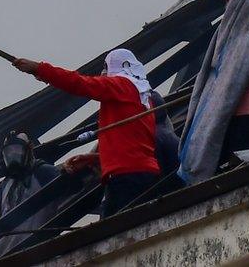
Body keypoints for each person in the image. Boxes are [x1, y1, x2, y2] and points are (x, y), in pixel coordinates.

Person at [13, 49, 159, 217]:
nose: (104, 72)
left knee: (115, 232)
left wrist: (39, 69)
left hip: (126, 177)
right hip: (141, 173)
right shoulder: (143, 97)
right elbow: (131, 146)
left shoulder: (122, 85)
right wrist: (97, 158)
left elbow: (80, 83)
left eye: (107, 66)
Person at [179, 0, 249, 184]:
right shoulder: (245, 22)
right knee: (233, 161)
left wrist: (232, 66)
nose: (228, 4)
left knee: (243, 166)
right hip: (242, 108)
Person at [0, 131, 60, 259]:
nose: (12, 155)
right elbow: (6, 226)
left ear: (29, 149)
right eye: (8, 152)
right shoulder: (5, 186)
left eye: (16, 150)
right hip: (5, 256)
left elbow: (75, 189)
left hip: (36, 253)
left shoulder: (43, 172)